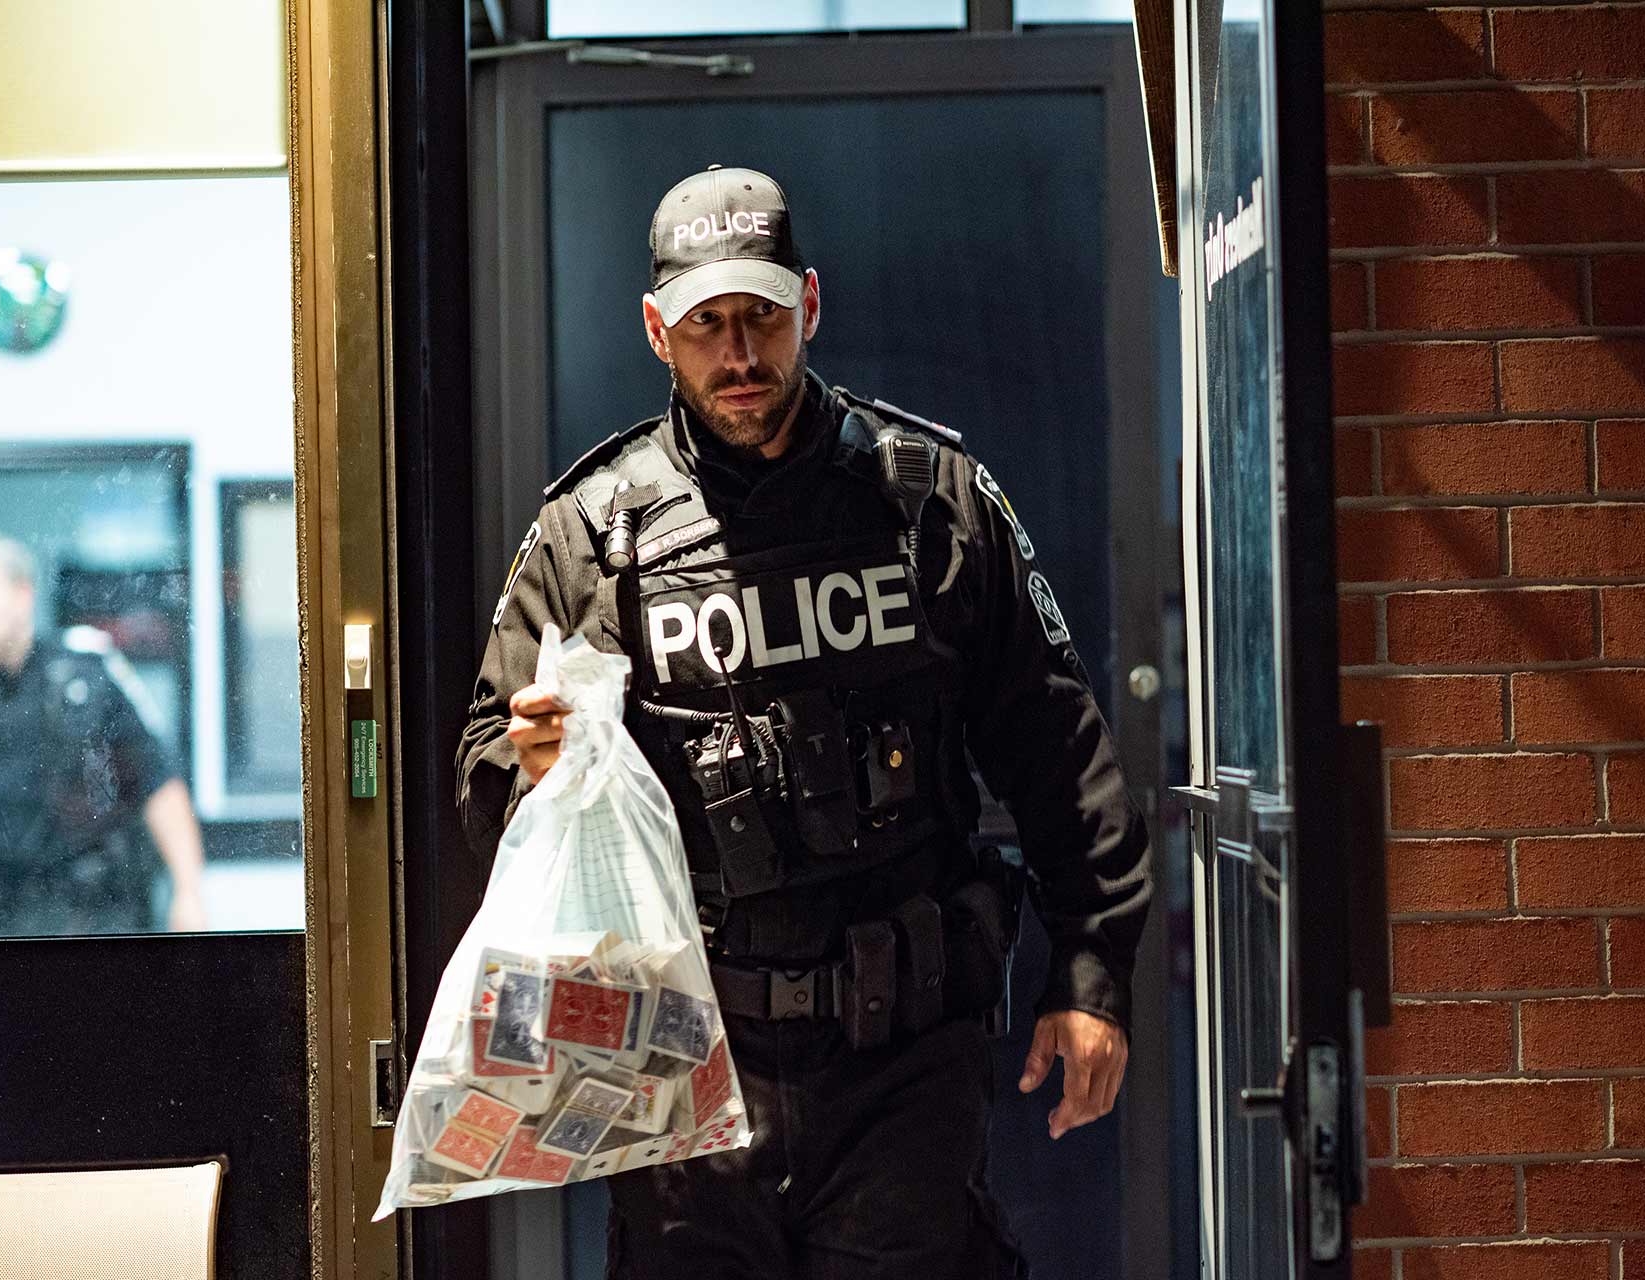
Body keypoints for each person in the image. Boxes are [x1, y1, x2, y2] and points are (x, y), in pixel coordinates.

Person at [457, 166, 1150, 1279]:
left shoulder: (931, 499)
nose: (739, 357)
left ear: (809, 304)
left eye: (762, 318)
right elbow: (485, 765)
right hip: (688, 1067)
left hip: (902, 1061)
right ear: (657, 330)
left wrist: (1092, 973)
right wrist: (530, 765)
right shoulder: (593, 534)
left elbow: (1056, 745)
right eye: (706, 326)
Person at [0, 532, 207, 936]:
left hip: (90, 914)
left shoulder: (89, 668)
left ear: (23, 595)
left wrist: (189, 893)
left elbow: (158, 783)